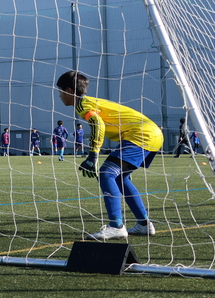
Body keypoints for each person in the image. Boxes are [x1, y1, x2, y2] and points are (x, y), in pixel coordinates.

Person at [56, 70, 162, 241]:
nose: (60, 96)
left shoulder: (82, 104)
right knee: (120, 178)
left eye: (60, 91)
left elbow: (97, 123)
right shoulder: (90, 102)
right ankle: (144, 224)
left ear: (69, 90)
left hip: (141, 134)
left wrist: (92, 156)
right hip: (152, 133)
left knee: (106, 173)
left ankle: (116, 226)